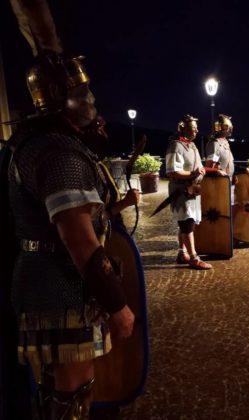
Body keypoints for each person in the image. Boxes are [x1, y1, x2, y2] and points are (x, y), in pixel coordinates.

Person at [6, 53, 137, 419]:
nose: (92, 99)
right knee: (73, 391)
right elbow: (78, 240)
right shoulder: (58, 152)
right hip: (59, 286)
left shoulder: (41, 142)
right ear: (58, 97)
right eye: (82, 91)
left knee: (57, 389)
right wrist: (118, 305)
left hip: (49, 283)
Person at [165, 115, 212, 270]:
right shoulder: (175, 145)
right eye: (193, 128)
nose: (196, 131)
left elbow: (197, 166)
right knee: (187, 224)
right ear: (183, 128)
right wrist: (193, 173)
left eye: (196, 128)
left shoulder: (192, 146)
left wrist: (202, 170)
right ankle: (193, 258)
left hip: (193, 191)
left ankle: (182, 253)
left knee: (186, 222)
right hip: (181, 192)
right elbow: (172, 171)